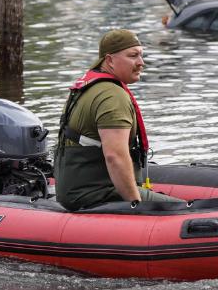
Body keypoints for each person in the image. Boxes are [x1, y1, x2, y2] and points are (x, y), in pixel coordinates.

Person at [54, 29, 183, 210]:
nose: (141, 63)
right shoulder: (112, 97)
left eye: (141, 55)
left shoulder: (89, 87)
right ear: (109, 60)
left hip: (76, 191)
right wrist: (136, 204)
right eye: (133, 56)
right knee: (183, 209)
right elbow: (115, 156)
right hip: (97, 193)